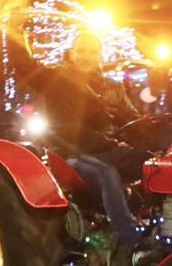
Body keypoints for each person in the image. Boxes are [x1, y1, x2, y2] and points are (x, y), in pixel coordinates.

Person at [13, 31, 145, 246]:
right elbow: (24, 64)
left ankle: (159, 221)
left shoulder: (113, 87)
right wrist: (16, 29)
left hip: (107, 149)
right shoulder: (57, 79)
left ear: (99, 56)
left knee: (153, 164)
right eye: (81, 51)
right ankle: (130, 240)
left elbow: (133, 120)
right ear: (72, 54)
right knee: (107, 173)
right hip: (70, 153)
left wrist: (159, 131)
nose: (86, 56)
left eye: (92, 52)